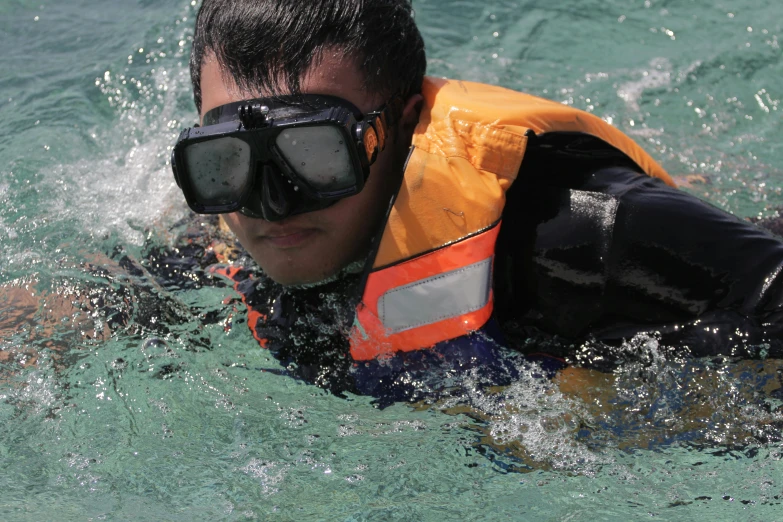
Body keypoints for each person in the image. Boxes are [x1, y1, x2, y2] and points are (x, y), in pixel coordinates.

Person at [170, 0, 783, 401]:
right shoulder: (227, 224)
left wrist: (638, 414)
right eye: (228, 161)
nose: (273, 205)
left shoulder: (578, 232)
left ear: (405, 126)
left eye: (314, 154)